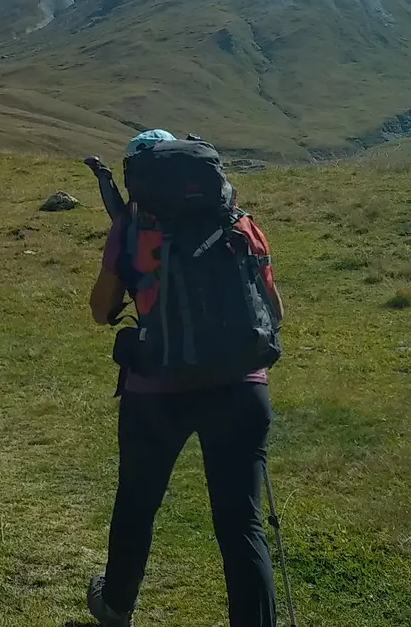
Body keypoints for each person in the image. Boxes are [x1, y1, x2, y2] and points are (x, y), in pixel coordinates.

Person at [82, 131, 284, 627]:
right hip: (241, 385)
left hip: (156, 390)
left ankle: (116, 607)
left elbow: (100, 310)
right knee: (242, 524)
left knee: (137, 503)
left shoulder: (132, 228)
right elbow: (273, 311)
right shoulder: (240, 222)